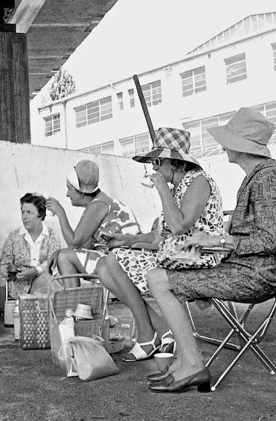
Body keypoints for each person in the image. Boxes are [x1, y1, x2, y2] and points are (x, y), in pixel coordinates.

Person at [145, 108, 276, 393]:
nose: (222, 147)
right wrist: (212, 240)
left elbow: (270, 240)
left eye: (227, 141)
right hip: (246, 269)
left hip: (256, 276)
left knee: (158, 279)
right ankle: (185, 362)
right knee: (161, 275)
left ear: (241, 146)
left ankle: (192, 365)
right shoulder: (258, 177)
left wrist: (220, 242)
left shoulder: (266, 180)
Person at [96, 127, 225, 363]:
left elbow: (179, 227)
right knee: (103, 266)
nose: (153, 168)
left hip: (199, 256)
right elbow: (159, 237)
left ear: (177, 163)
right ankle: (159, 330)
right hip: (176, 254)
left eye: (157, 161)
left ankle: (148, 334)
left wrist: (162, 189)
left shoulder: (199, 181)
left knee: (112, 262)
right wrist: (126, 240)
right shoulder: (179, 188)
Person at [46, 159, 140, 287]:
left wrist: (60, 213)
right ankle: (74, 299)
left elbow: (74, 243)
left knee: (64, 257)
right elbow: (83, 247)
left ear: (81, 190)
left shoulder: (98, 205)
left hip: (123, 263)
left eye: (69, 188)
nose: (67, 194)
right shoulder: (102, 202)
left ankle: (73, 299)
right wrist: (58, 251)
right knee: (63, 254)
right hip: (126, 260)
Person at [0, 193, 61, 299]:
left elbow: (53, 263)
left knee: (48, 280)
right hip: (20, 288)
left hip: (45, 283)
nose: (24, 217)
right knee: (51, 286)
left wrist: (36, 271)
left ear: (40, 215)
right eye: (22, 212)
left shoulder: (51, 235)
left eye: (29, 212)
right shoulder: (13, 237)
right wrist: (16, 273)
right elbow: (3, 267)